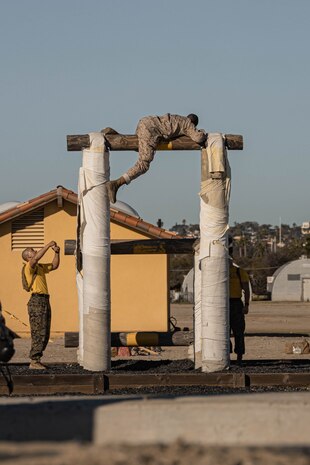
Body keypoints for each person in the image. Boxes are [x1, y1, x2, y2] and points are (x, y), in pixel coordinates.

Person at [106, 113, 207, 203]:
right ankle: (116, 184)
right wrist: (202, 133)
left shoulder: (178, 118)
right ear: (193, 123)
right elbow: (198, 137)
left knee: (139, 148)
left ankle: (114, 135)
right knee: (143, 164)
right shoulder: (188, 124)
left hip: (145, 121)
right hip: (151, 131)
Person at [22, 241, 60, 369]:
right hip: (37, 301)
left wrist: (56, 253)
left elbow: (54, 266)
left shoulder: (39, 267)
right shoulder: (29, 266)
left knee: (45, 331)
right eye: (32, 250)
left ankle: (37, 359)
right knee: (38, 331)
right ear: (28, 256)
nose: (35, 251)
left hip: (44, 300)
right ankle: (34, 360)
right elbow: (36, 257)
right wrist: (48, 245)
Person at [228, 239, 250, 364]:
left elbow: (246, 289)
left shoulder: (239, 272)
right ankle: (227, 355)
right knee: (224, 332)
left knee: (238, 332)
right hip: (223, 304)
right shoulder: (220, 272)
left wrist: (246, 305)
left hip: (236, 303)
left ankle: (239, 356)